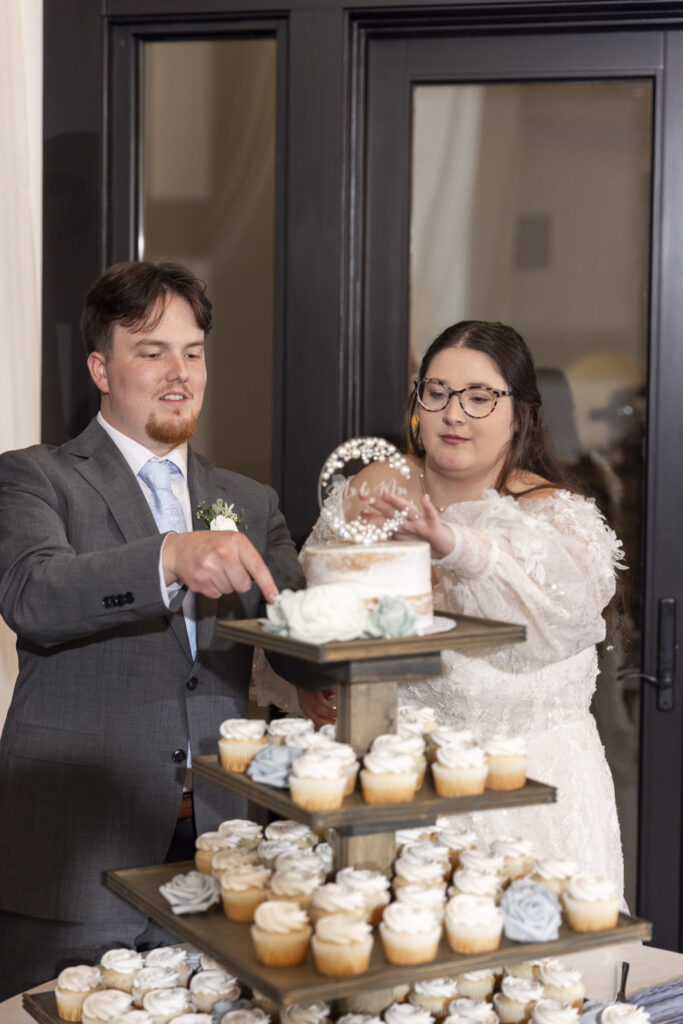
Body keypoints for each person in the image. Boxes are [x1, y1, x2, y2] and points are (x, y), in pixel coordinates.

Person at [0, 260, 305, 996]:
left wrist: (366, 585)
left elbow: (307, 647)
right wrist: (170, 556)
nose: (180, 372)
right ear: (101, 368)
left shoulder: (249, 500)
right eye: (152, 350)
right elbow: (34, 593)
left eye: (193, 352)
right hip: (80, 846)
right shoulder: (34, 477)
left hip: (222, 849)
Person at [297, 320, 625, 896]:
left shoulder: (555, 516)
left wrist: (453, 549)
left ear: (519, 413)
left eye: (479, 398)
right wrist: (313, 676)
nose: (453, 414)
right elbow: (314, 612)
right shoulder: (373, 490)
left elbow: (564, 623)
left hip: (530, 812)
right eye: (437, 392)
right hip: (392, 802)